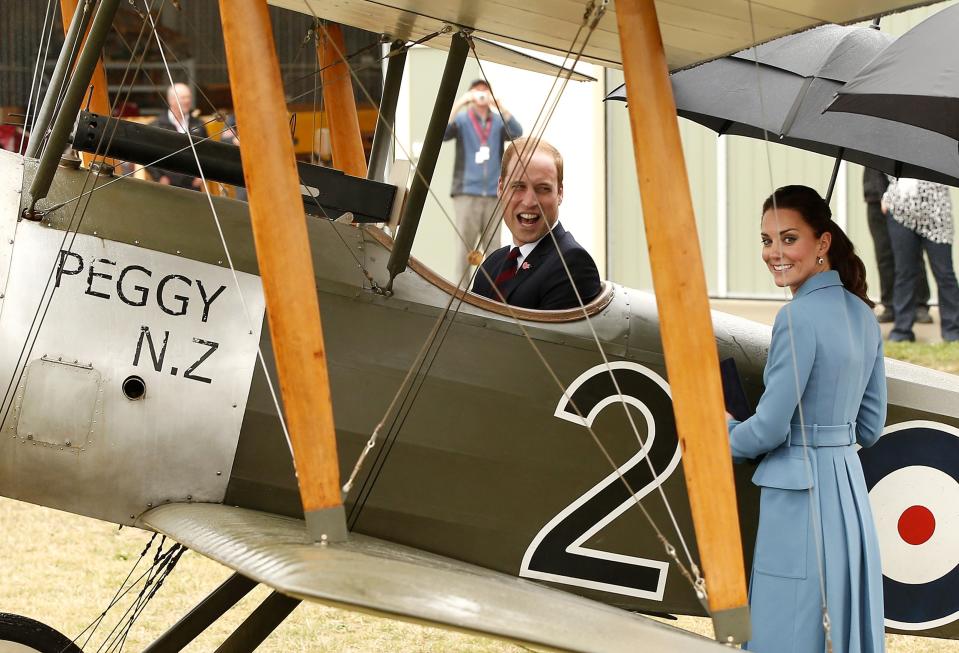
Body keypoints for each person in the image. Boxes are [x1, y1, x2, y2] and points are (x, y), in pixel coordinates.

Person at [727, 185, 885, 653]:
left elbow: (771, 427)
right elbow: (870, 428)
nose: (775, 253)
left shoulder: (796, 319)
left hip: (799, 499)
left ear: (823, 242)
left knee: (787, 629)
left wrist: (723, 435)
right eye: (766, 240)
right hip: (848, 496)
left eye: (789, 239)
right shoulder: (864, 315)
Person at [471, 137, 601, 310]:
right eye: (518, 186)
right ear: (500, 189)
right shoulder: (491, 265)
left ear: (560, 193)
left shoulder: (572, 265)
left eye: (543, 189)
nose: (530, 201)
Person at [445, 79, 522, 281]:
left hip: (493, 193)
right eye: (476, 92)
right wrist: (460, 103)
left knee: (494, 248)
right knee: (464, 246)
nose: (481, 95)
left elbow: (517, 132)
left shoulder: (497, 121)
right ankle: (459, 290)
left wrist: (500, 105)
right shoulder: (462, 120)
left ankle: (492, 293)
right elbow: (442, 133)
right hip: (466, 192)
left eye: (485, 91)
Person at [883, 178, 959, 342]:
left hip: (937, 211)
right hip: (900, 210)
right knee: (904, 273)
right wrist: (887, 196)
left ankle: (953, 332)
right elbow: (889, 168)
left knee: (944, 273)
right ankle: (902, 331)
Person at [862, 168, 931, 323]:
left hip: (906, 199)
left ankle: (920, 304)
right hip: (875, 200)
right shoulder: (872, 143)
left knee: (912, 252)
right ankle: (890, 305)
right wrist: (882, 196)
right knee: (884, 254)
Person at [147, 83, 206, 190]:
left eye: (189, 97)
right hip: (167, 187)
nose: (187, 101)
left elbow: (207, 152)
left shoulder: (199, 124)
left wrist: (202, 175)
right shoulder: (156, 125)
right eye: (183, 98)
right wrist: (159, 177)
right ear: (171, 100)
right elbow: (147, 154)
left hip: (193, 186)